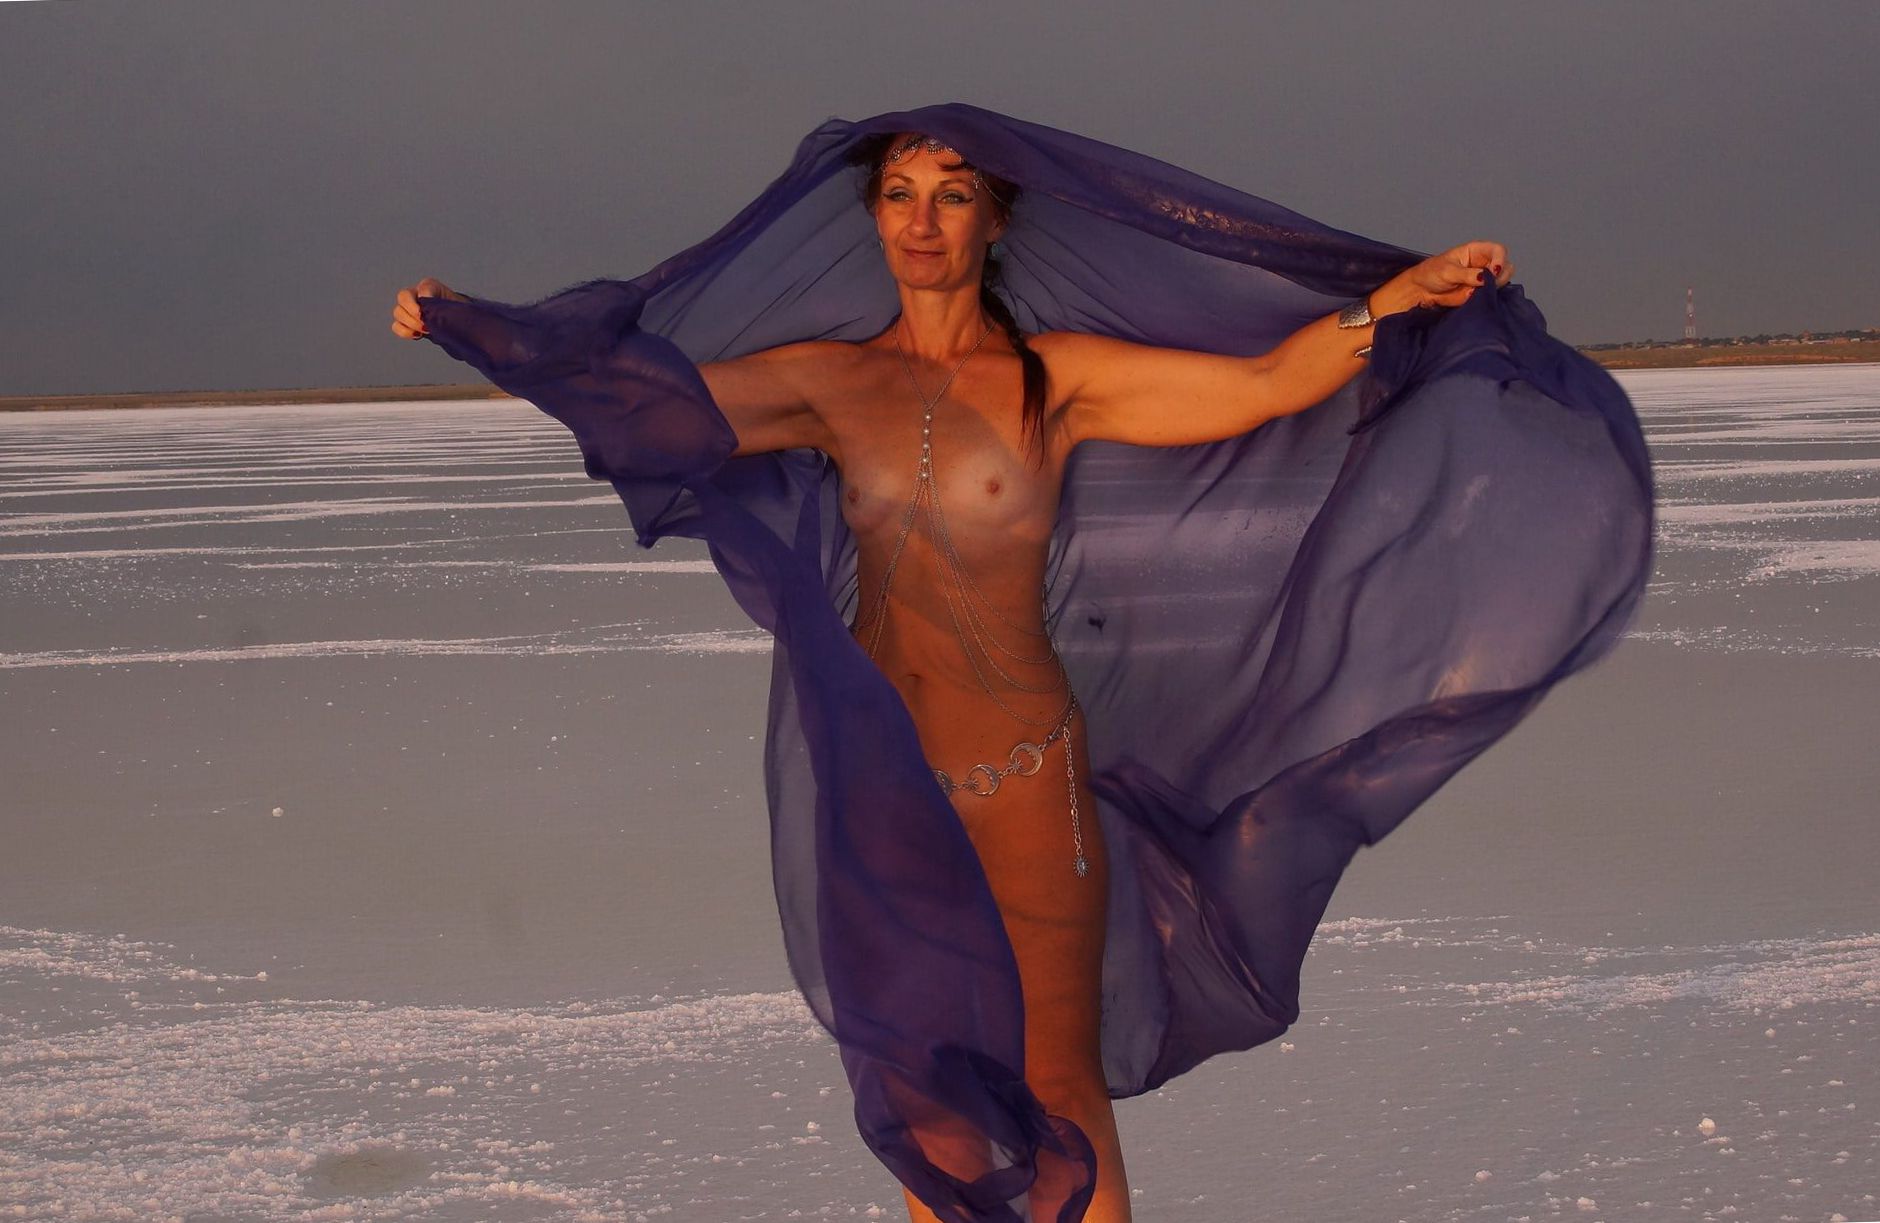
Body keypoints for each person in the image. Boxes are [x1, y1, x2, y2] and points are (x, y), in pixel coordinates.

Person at [391, 105, 1650, 1223]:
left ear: (994, 219)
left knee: (1056, 1086)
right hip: (886, 791)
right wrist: (488, 333)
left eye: (950, 195)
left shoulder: (1058, 381)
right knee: (926, 1096)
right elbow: (646, 403)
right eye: (897, 194)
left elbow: (1268, 382)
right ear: (871, 216)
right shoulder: (826, 384)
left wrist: (1393, 301)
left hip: (1025, 786)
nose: (920, 221)